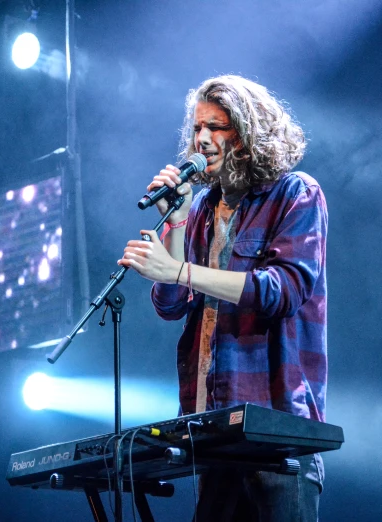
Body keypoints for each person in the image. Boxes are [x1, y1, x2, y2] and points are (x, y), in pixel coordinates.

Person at [118, 75, 328, 522]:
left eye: (217, 127)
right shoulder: (202, 211)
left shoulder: (295, 193)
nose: (203, 139)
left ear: (249, 133)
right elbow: (171, 304)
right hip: (212, 430)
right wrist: (175, 221)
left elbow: (282, 289)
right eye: (197, 128)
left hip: (274, 432)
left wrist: (177, 269)